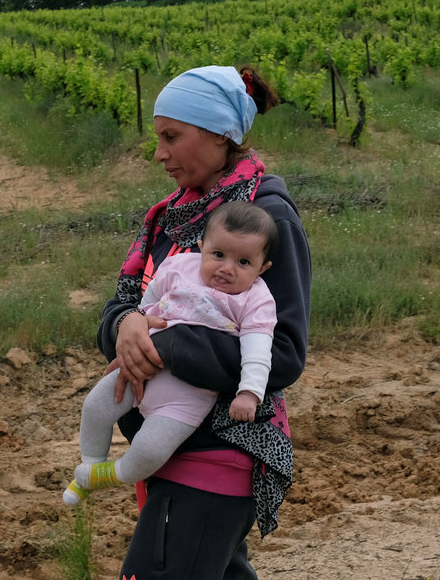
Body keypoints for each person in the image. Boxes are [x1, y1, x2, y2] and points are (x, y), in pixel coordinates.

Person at [97, 64, 311, 580]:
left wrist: (163, 346)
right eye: (157, 138)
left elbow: (281, 352)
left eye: (172, 136)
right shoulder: (172, 218)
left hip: (217, 453)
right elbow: (127, 302)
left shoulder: (266, 220)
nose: (159, 153)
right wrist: (126, 326)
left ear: (218, 134)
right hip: (172, 444)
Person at [63, 201, 279, 506]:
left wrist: (249, 393)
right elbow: (146, 304)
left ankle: (108, 474)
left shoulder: (256, 299)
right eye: (218, 255)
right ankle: (89, 463)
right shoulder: (179, 266)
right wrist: (130, 332)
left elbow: (258, 350)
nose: (227, 268)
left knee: (150, 451)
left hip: (186, 395)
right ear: (202, 247)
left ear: (262, 268)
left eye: (244, 262)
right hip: (140, 365)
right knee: (95, 407)